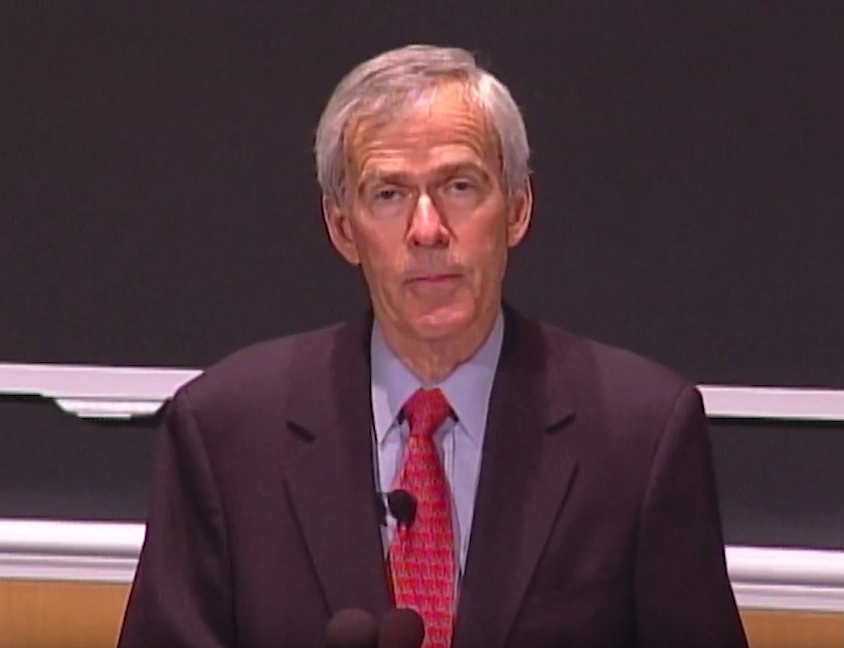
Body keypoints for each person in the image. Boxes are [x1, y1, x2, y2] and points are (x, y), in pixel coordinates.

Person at [117, 44, 748, 648]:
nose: (427, 229)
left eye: (460, 186)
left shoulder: (641, 435)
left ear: (518, 210)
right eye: (389, 194)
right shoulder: (226, 432)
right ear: (343, 229)